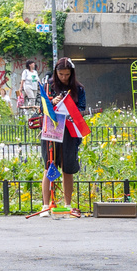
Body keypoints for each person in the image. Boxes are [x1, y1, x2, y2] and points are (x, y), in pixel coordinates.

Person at [39, 57, 88, 216]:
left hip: (69, 131)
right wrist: (53, 100)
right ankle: (46, 205)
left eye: (67, 74)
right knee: (49, 165)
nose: (64, 78)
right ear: (56, 72)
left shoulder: (78, 89)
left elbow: (82, 108)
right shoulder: (49, 86)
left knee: (68, 168)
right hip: (52, 129)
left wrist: (71, 107)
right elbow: (42, 107)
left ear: (72, 73)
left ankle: (67, 205)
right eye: (61, 74)